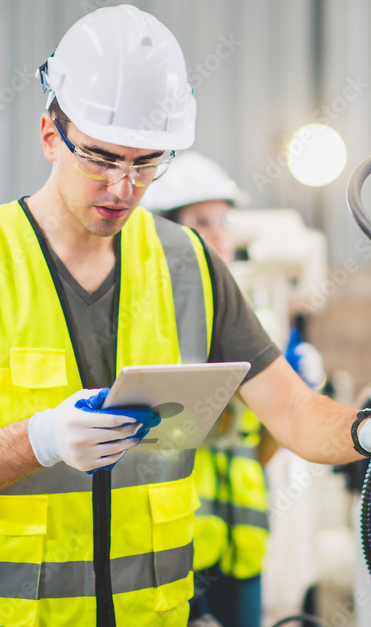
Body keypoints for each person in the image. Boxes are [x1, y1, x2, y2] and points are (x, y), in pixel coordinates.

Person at [0, 4, 371, 627]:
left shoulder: (188, 264)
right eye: (101, 157)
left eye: (146, 162)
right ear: (49, 134)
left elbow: (295, 412)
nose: (123, 187)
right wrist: (40, 440)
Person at [141, 152, 272, 627]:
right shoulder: (150, 317)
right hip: (177, 540)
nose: (218, 233)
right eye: (201, 221)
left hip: (244, 537)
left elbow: (266, 438)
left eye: (223, 219)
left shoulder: (252, 314)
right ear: (166, 230)